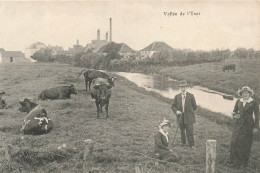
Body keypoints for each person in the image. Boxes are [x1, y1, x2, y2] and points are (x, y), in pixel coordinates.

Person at [228, 86, 259, 168]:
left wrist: (256, 127)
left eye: (246, 93)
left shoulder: (254, 102)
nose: (245, 94)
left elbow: (257, 116)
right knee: (234, 141)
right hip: (238, 124)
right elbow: (234, 111)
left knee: (245, 143)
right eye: (243, 93)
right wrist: (235, 116)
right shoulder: (239, 101)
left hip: (248, 125)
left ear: (249, 94)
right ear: (241, 94)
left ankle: (243, 162)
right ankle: (234, 161)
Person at [171, 80, 197, 150]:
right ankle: (183, 142)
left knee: (190, 131)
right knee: (182, 131)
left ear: (186, 87)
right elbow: (173, 106)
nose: (183, 89)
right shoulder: (177, 96)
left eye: (184, 87)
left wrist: (189, 112)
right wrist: (177, 111)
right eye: (182, 87)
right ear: (180, 88)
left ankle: (192, 145)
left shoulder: (191, 96)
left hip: (189, 117)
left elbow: (194, 106)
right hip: (180, 117)